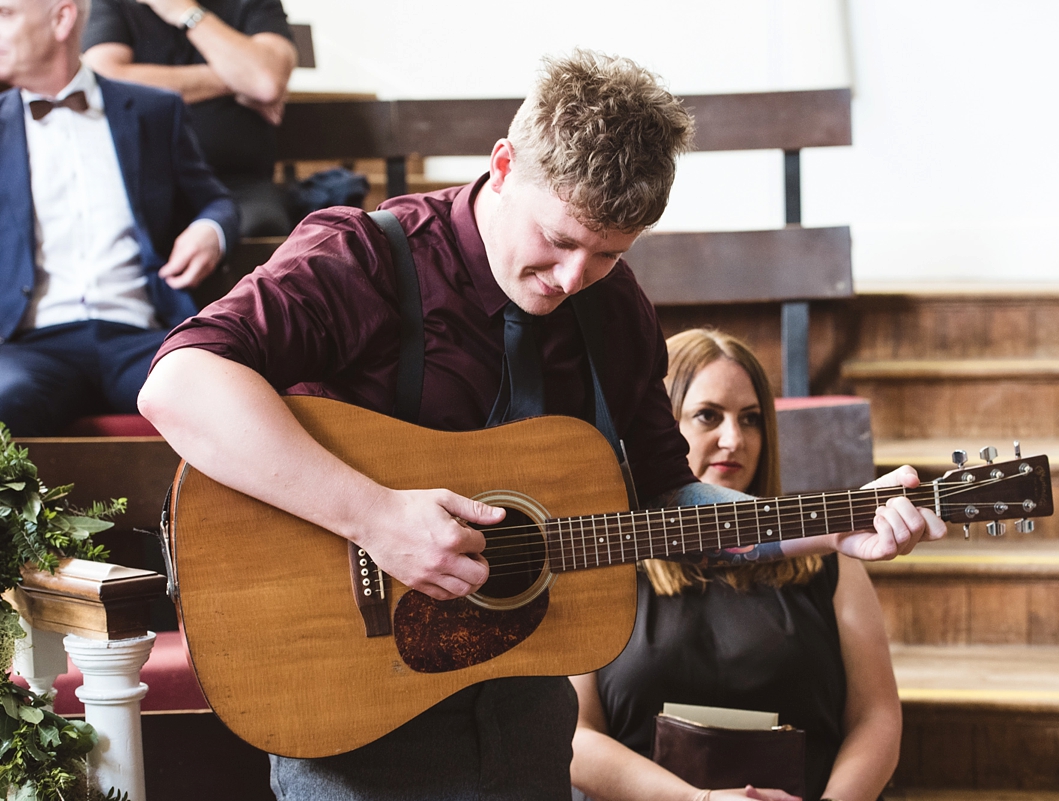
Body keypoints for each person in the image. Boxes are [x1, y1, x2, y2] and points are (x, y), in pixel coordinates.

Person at [137, 50, 943, 800]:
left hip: (526, 721)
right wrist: (377, 517)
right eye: (558, 241)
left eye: (607, 255)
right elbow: (177, 384)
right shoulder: (365, 259)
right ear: (503, 164)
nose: (571, 278)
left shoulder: (613, 307)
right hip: (352, 708)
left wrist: (834, 528)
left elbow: (670, 505)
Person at [570, 329, 903, 801]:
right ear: (657, 427)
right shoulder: (602, 556)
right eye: (708, 416)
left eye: (750, 420)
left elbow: (876, 719)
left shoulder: (829, 560)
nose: (735, 439)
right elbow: (574, 734)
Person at [0, 0, 239, 437]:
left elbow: (216, 201)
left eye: (6, 14)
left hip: (141, 336)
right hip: (29, 346)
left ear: (61, 19)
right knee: (5, 398)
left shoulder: (153, 110)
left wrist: (210, 231)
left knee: (232, 397)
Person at [82, 0, 297, 236]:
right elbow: (107, 79)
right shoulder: (112, 4)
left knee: (264, 230)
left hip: (238, 184)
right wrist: (237, 79)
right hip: (144, 182)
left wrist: (185, 12)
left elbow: (265, 80)